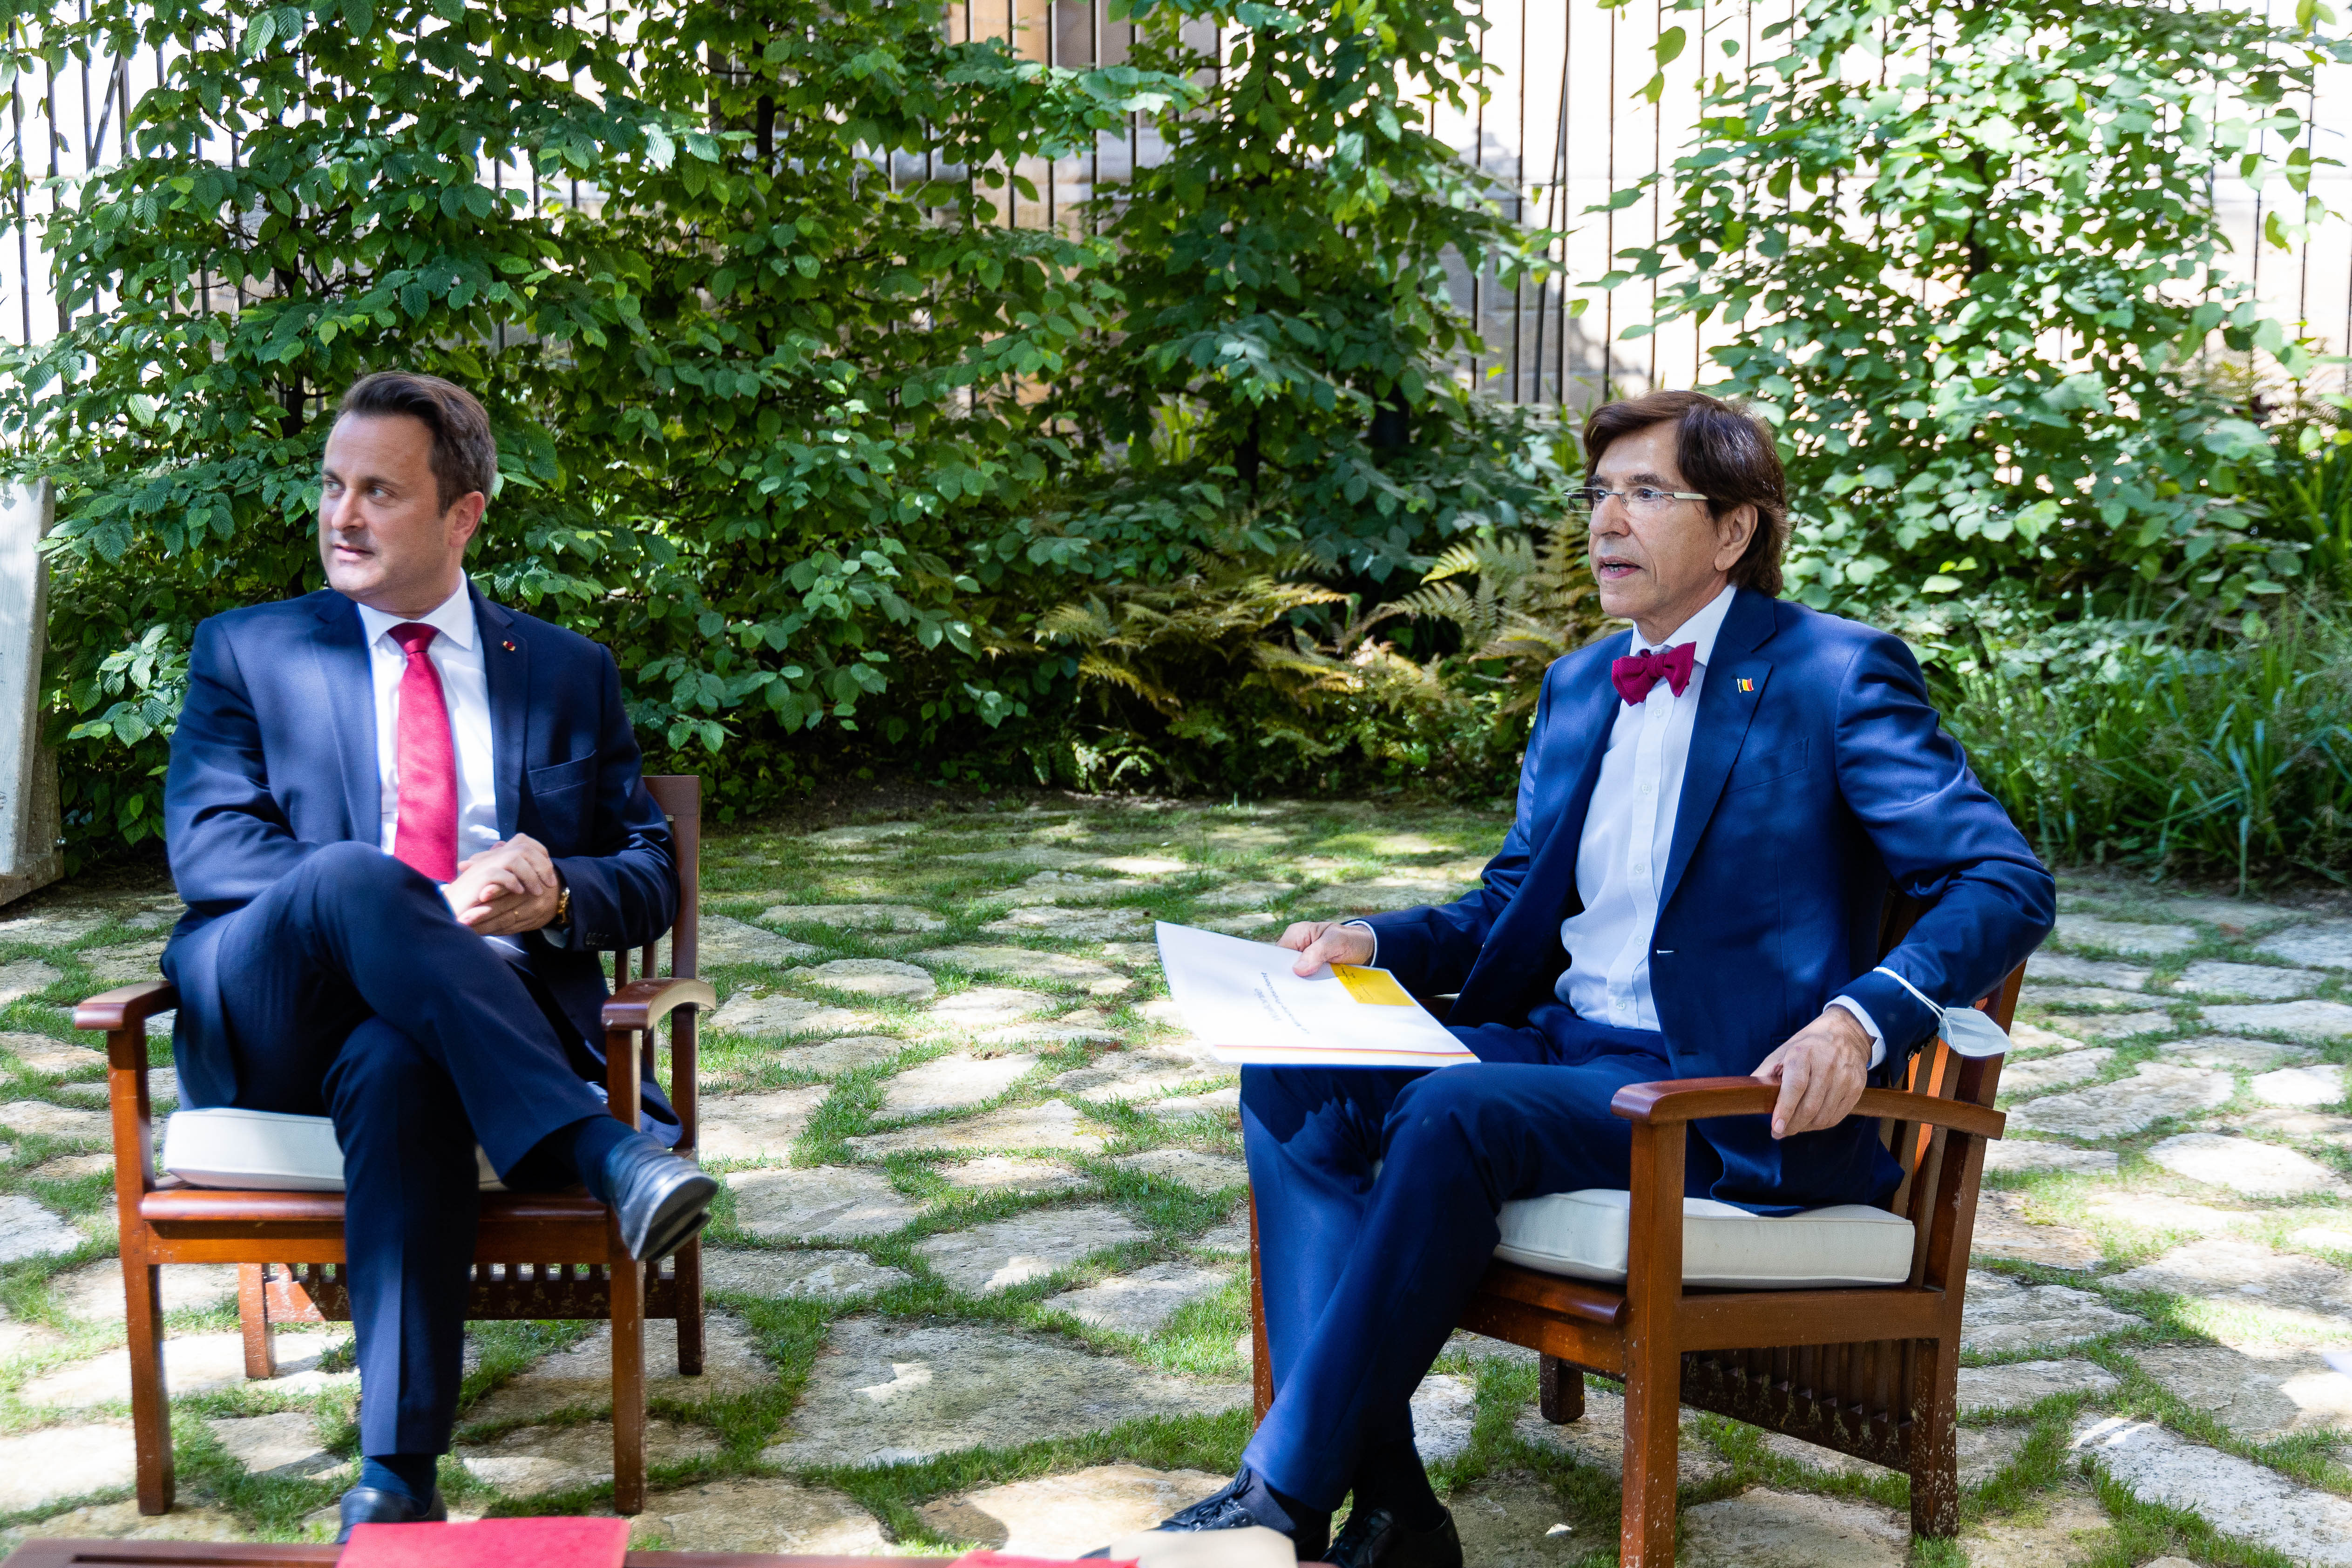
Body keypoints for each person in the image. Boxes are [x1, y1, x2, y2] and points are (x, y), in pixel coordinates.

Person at [1125, 391, 2054, 1567]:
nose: (1608, 519)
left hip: (1721, 1095)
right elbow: (1510, 902)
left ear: (1734, 531)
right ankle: (1396, 1507)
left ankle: (1279, 1502)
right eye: (1599, 493)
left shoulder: (1835, 674)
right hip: (1567, 1056)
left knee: (1454, 1108)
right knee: (1301, 1077)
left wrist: (1860, 1021)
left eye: (1645, 493)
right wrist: (1374, 939)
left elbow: (2003, 880)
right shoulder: (1579, 685)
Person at [161, 371, 717, 1540]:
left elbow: (647, 867)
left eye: (379, 491)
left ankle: (398, 1472)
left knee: (401, 1062)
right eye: (331, 485)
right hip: (272, 1012)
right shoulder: (246, 650)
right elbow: (212, 850)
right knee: (355, 877)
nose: (341, 515)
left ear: (463, 514)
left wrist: (559, 888)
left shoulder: (564, 672)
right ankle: (599, 1149)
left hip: (450, 1029)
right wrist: (410, 900)